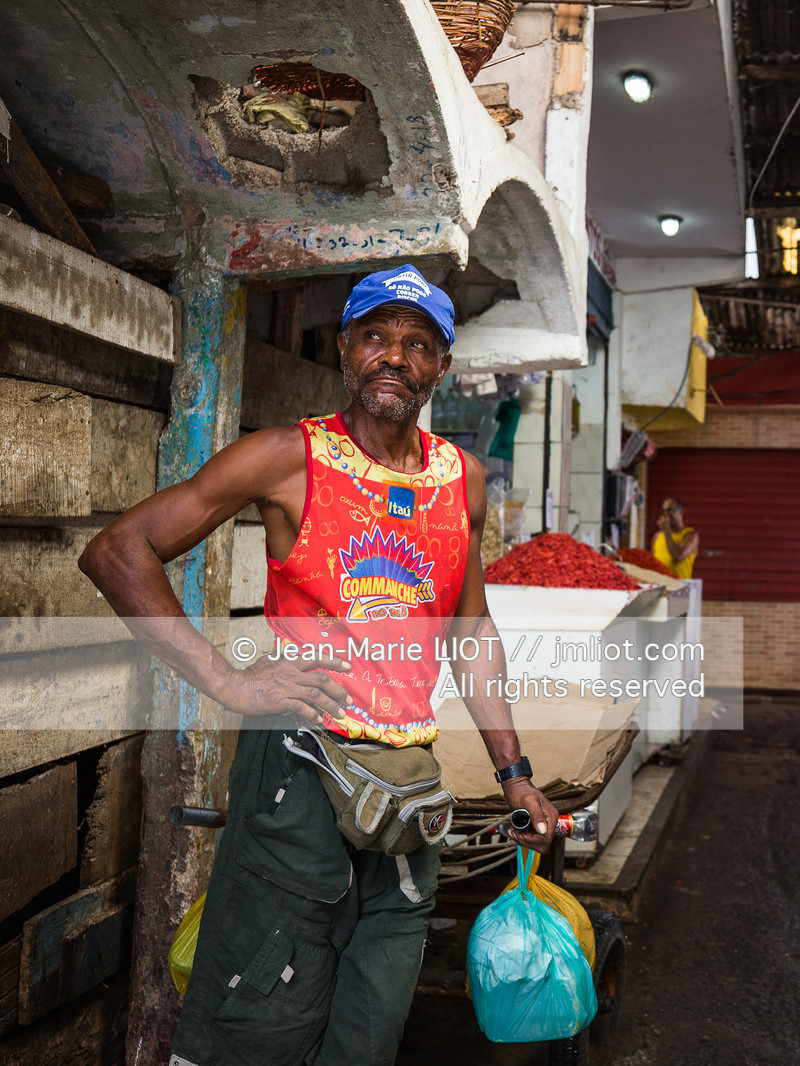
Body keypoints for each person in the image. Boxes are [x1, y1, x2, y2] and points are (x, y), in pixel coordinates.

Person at [77, 264, 559, 1066]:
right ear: (346, 349)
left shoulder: (462, 482)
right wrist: (226, 678)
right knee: (262, 1013)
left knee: (371, 1023)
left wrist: (516, 773)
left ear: (442, 364)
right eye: (375, 336)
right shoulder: (287, 459)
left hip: (405, 787)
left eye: (417, 343)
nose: (393, 358)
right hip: (297, 772)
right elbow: (118, 552)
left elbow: (471, 631)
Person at [652, 496, 699, 578]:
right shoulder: (657, 536)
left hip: (679, 588)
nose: (666, 514)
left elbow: (678, 556)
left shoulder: (690, 535)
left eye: (670, 510)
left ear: (681, 512)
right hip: (659, 587)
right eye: (664, 511)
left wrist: (667, 531)